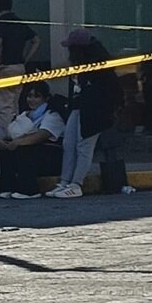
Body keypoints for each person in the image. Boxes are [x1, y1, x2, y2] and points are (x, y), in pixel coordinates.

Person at [46, 30, 123, 199]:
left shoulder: (101, 69)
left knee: (84, 147)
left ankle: (76, 183)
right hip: (80, 107)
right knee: (69, 143)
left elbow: (110, 93)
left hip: (94, 112)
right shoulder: (83, 68)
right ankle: (66, 181)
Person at [0, 82, 66, 199]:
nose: (31, 100)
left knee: (26, 148)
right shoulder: (25, 115)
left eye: (36, 96)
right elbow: (11, 133)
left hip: (52, 158)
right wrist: (2, 142)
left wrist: (18, 142)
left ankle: (29, 190)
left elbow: (43, 134)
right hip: (34, 155)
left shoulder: (53, 115)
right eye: (29, 96)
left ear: (46, 98)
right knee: (5, 151)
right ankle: (8, 187)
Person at [0, 0, 40, 140]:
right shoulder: (19, 22)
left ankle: (7, 139)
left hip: (4, 67)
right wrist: (25, 58)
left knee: (4, 107)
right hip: (19, 67)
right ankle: (18, 134)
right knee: (14, 104)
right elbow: (36, 39)